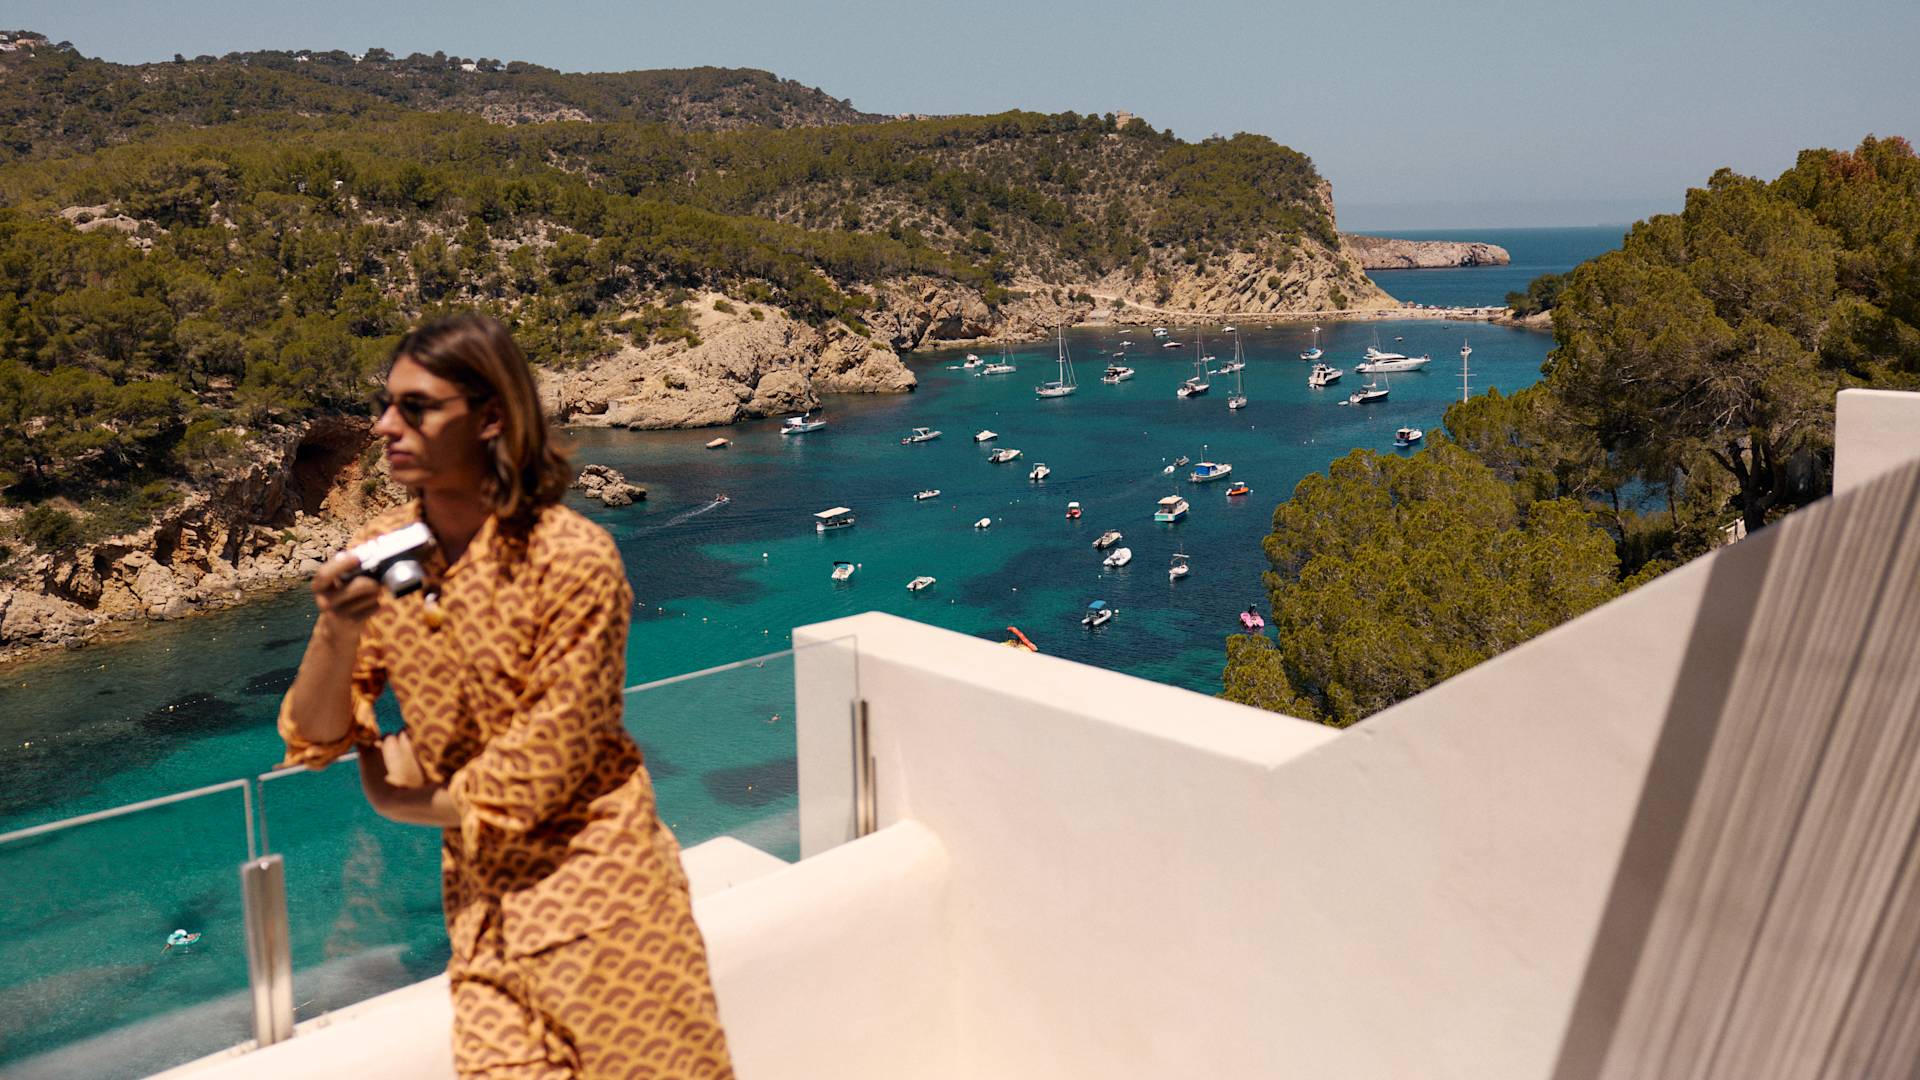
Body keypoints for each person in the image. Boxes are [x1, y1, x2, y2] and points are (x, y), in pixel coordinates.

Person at [278, 314, 734, 1079]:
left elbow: (541, 771)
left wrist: (398, 802)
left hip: (607, 909)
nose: (386, 425)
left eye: (417, 407)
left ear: (491, 418)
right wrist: (335, 630)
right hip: (484, 916)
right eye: (387, 404)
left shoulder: (571, 559)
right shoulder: (387, 556)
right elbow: (313, 738)